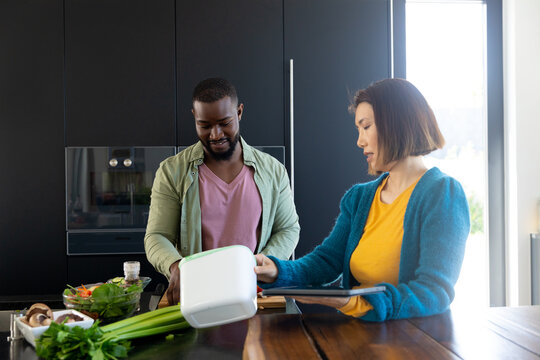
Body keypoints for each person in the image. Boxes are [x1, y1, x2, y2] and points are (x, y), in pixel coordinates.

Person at [254, 78, 470, 321]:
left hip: (415, 343)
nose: (360, 141)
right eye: (359, 130)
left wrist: (356, 302)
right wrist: (276, 270)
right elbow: (325, 261)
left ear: (397, 124)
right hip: (359, 338)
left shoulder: (442, 194)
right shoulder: (359, 198)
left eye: (366, 127)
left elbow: (434, 291)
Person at [145, 77, 300, 305]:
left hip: (254, 293)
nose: (215, 135)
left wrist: (259, 264)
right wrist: (176, 266)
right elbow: (157, 235)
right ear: (194, 118)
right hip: (197, 295)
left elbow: (288, 228)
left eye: (224, 123)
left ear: (239, 112)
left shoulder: (273, 171)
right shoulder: (172, 171)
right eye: (205, 125)